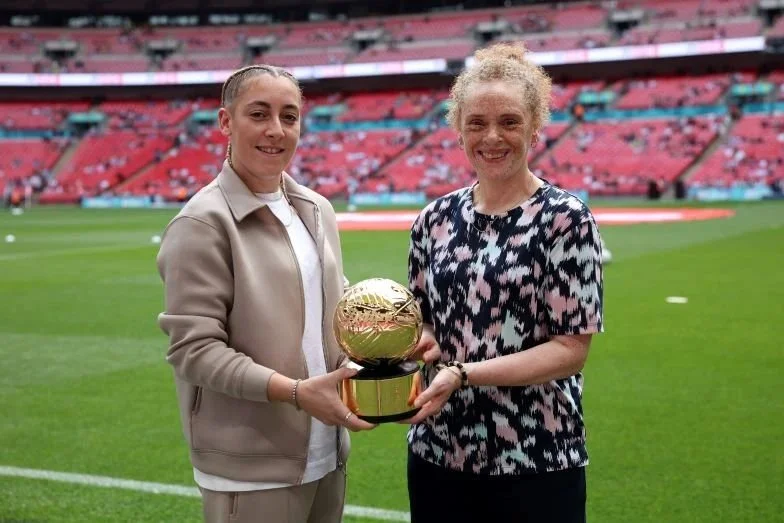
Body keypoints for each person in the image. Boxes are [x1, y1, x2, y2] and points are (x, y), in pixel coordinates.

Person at [156, 64, 374, 523]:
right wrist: (295, 392)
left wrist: (378, 340)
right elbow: (194, 350)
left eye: (289, 116)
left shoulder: (317, 209)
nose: (276, 130)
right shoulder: (202, 223)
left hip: (327, 454)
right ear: (225, 123)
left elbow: (330, 307)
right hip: (250, 469)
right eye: (259, 114)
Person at [404, 43, 604, 523]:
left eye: (509, 122)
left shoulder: (566, 220)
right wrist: (424, 341)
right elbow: (423, 320)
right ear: (458, 130)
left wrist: (465, 372)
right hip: (439, 452)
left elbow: (570, 349)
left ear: (535, 128)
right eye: (476, 123)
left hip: (535, 457)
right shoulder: (434, 219)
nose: (492, 137)